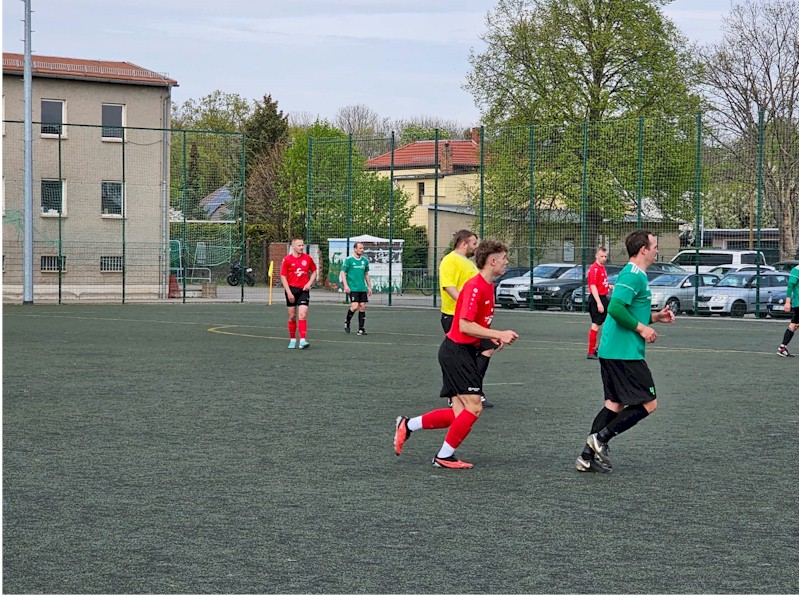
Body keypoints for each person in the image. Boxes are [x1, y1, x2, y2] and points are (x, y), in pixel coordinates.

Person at [393, 240, 519, 469]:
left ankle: (408, 425)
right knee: (474, 407)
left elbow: (477, 324)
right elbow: (464, 325)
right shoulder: (475, 286)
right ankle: (443, 456)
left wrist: (491, 338)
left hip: (463, 351)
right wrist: (498, 332)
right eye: (503, 258)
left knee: (460, 414)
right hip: (456, 352)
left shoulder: (488, 286)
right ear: (492, 261)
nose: (506, 262)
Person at [576, 230, 676, 473]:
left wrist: (655, 317)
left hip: (614, 349)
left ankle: (586, 458)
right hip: (623, 352)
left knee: (614, 404)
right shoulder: (634, 275)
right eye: (654, 245)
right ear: (643, 248)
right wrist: (642, 328)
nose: (656, 249)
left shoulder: (635, 274)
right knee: (649, 403)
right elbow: (616, 309)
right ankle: (600, 439)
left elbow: (628, 312)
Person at [439, 229, 495, 408]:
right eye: (473, 243)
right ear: (463, 244)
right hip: (455, 317)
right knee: (458, 356)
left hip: (471, 319)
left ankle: (472, 390)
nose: (476, 247)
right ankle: (456, 392)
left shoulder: (467, 263)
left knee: (486, 349)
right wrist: (466, 306)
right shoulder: (450, 260)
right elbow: (449, 286)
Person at [280, 238, 317, 349]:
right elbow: (283, 276)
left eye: (302, 245)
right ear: (293, 247)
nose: (301, 247)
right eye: (299, 245)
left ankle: (302, 340)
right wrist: (289, 292)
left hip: (303, 291)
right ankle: (292, 339)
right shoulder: (287, 259)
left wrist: (309, 283)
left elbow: (314, 271)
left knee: (303, 314)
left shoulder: (308, 258)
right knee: (292, 316)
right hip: (291, 290)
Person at [341, 241, 372, 336]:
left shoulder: (365, 261)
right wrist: (346, 285)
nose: (362, 250)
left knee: (362, 306)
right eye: (360, 248)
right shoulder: (349, 260)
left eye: (363, 248)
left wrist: (369, 287)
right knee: (354, 306)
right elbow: (343, 273)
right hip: (353, 288)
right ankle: (347, 321)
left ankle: (361, 329)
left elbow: (366, 274)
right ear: (355, 249)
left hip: (362, 288)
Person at [586, 247, 612, 359]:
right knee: (596, 325)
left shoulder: (602, 268)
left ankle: (599, 348)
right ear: (596, 256)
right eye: (601, 256)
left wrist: (609, 286)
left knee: (610, 322)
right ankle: (591, 352)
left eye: (605, 256)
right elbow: (593, 286)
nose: (604, 258)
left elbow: (601, 284)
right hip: (597, 299)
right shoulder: (594, 269)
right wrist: (599, 303)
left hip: (603, 298)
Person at [777, 262, 799, 357]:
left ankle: (782, 348)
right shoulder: (796, 270)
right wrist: (787, 302)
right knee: (794, 325)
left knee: (794, 325)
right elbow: (790, 286)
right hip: (798, 303)